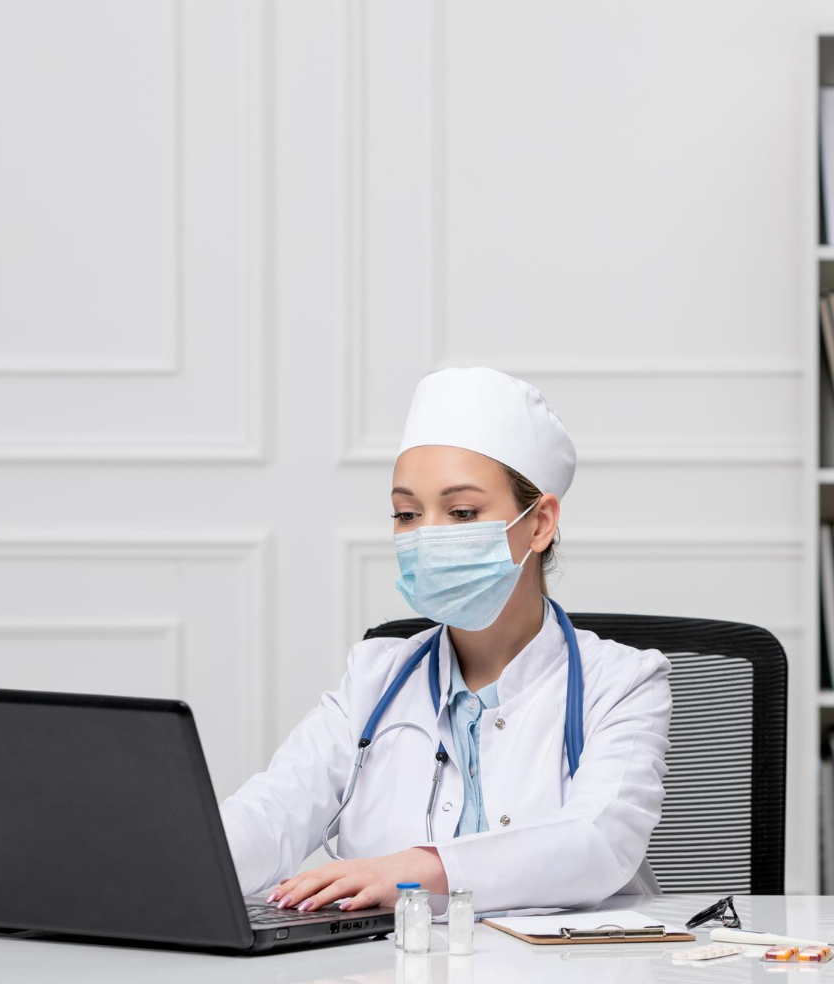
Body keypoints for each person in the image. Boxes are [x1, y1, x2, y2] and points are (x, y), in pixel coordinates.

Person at [220, 367, 672, 914]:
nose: (427, 535)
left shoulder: (622, 682)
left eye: (461, 512)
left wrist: (419, 869)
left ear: (540, 523)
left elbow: (600, 841)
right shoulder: (373, 678)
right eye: (407, 514)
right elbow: (272, 810)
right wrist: (182, 863)